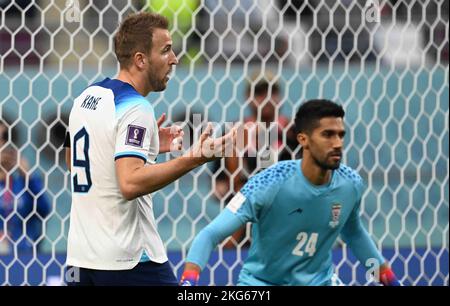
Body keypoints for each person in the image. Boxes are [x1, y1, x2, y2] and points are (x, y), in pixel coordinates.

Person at [63, 12, 236, 286]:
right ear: (141, 60)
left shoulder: (88, 95)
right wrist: (195, 158)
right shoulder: (136, 108)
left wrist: (143, 147)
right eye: (166, 50)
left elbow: (72, 160)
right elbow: (130, 184)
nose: (175, 59)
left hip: (81, 258)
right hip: (129, 260)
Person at [180, 99, 401, 286]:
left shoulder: (350, 184)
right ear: (302, 139)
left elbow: (354, 234)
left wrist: (389, 280)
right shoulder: (267, 183)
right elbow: (210, 235)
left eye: (340, 135)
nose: (337, 143)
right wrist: (189, 281)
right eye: (328, 135)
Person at [213, 70, 298, 248]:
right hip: (246, 217)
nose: (266, 98)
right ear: (248, 97)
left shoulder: (295, 133)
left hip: (290, 213)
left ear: (279, 96)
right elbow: (218, 188)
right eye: (259, 93)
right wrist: (235, 185)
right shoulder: (234, 134)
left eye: (271, 92)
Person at [0, 121, 51, 254]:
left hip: (25, 257)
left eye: (4, 138)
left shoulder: (24, 184)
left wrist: (28, 176)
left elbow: (44, 210)